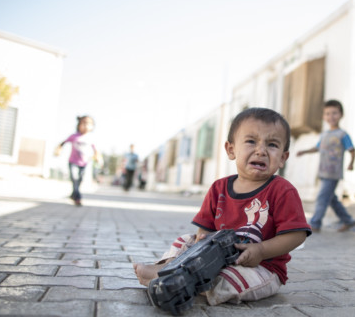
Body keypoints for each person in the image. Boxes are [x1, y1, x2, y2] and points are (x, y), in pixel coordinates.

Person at [133, 108, 311, 306]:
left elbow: (297, 235)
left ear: (283, 158)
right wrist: (202, 244)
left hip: (261, 267)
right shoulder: (219, 188)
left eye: (272, 145)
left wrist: (260, 250)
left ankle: (186, 283)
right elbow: (205, 228)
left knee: (231, 280)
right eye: (251, 141)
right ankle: (168, 269)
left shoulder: (283, 190)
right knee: (184, 240)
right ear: (231, 150)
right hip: (213, 259)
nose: (261, 150)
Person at [297, 99, 355, 232]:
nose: (331, 116)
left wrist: (351, 164)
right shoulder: (324, 134)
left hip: (333, 173)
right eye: (328, 114)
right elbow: (317, 148)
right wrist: (304, 151)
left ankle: (315, 223)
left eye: (334, 113)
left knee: (322, 197)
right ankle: (348, 220)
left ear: (341, 115)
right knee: (331, 199)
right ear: (324, 116)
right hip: (323, 171)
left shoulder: (342, 134)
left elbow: (352, 150)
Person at [55, 115, 101, 206]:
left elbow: (96, 150)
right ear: (79, 125)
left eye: (88, 124)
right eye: (83, 123)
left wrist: (98, 158)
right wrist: (58, 150)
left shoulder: (90, 138)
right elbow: (63, 143)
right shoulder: (74, 136)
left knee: (79, 180)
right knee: (74, 178)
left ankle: (74, 194)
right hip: (73, 161)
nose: (85, 126)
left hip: (84, 163)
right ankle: (78, 198)